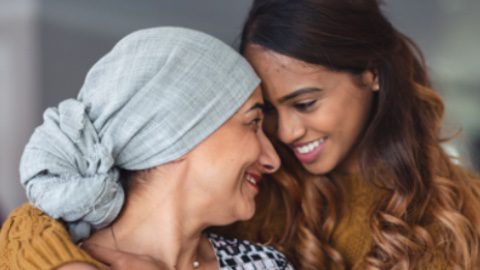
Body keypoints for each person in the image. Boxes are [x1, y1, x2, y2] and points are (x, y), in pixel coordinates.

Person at [0, 26, 295, 270]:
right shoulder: (62, 261)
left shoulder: (266, 265)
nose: (272, 160)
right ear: (177, 132)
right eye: (253, 122)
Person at [217, 0, 480, 269]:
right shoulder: (251, 206)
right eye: (270, 111)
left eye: (305, 103)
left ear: (372, 73)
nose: (286, 133)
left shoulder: (468, 210)